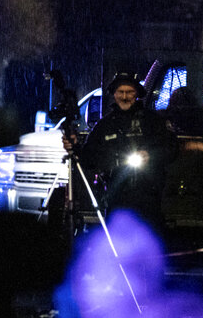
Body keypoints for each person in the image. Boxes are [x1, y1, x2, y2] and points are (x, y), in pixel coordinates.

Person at [63, 73, 177, 232]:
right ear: (114, 95)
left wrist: (150, 155)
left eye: (129, 92)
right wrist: (75, 146)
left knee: (149, 242)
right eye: (120, 92)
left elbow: (172, 149)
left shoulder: (154, 121)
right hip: (116, 196)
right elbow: (89, 158)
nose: (125, 97)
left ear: (137, 94)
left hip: (149, 196)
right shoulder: (104, 125)